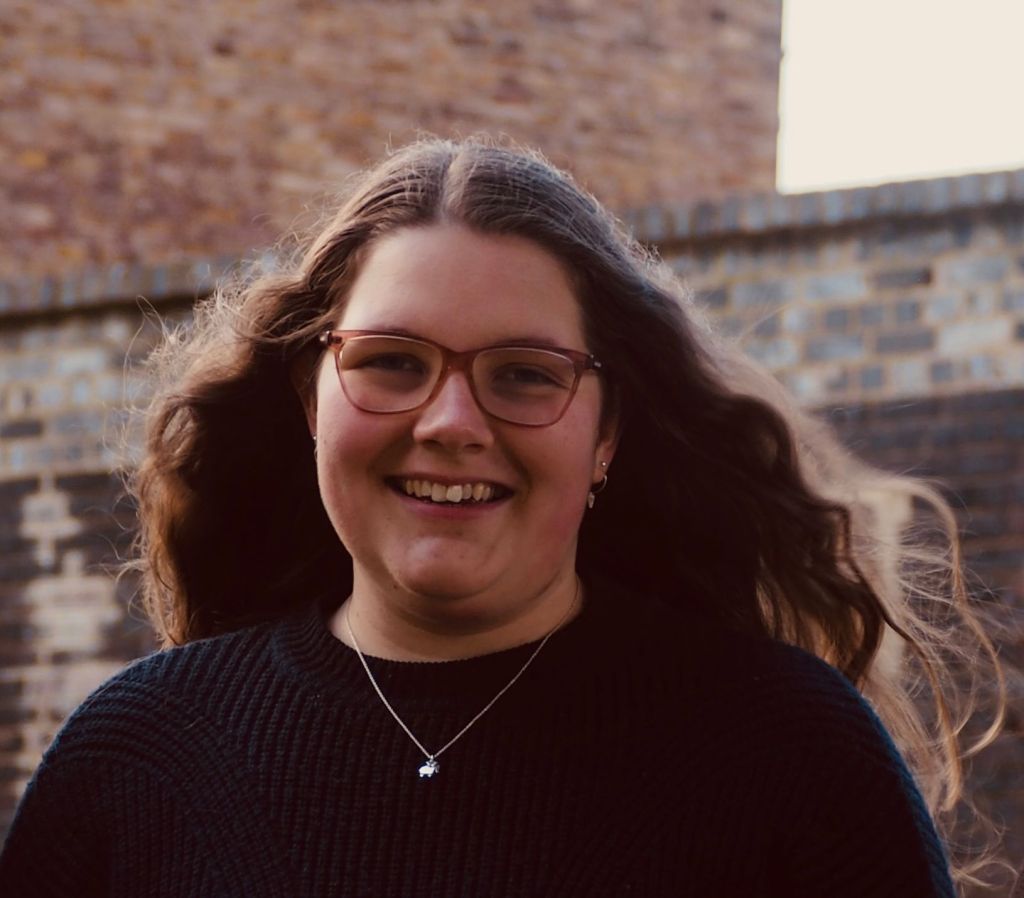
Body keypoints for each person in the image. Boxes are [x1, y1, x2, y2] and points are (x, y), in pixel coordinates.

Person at [0, 138, 1007, 896]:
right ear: (312, 399)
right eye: (392, 361)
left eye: (523, 375)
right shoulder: (135, 757)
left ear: (606, 432)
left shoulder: (788, 751)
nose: (449, 422)